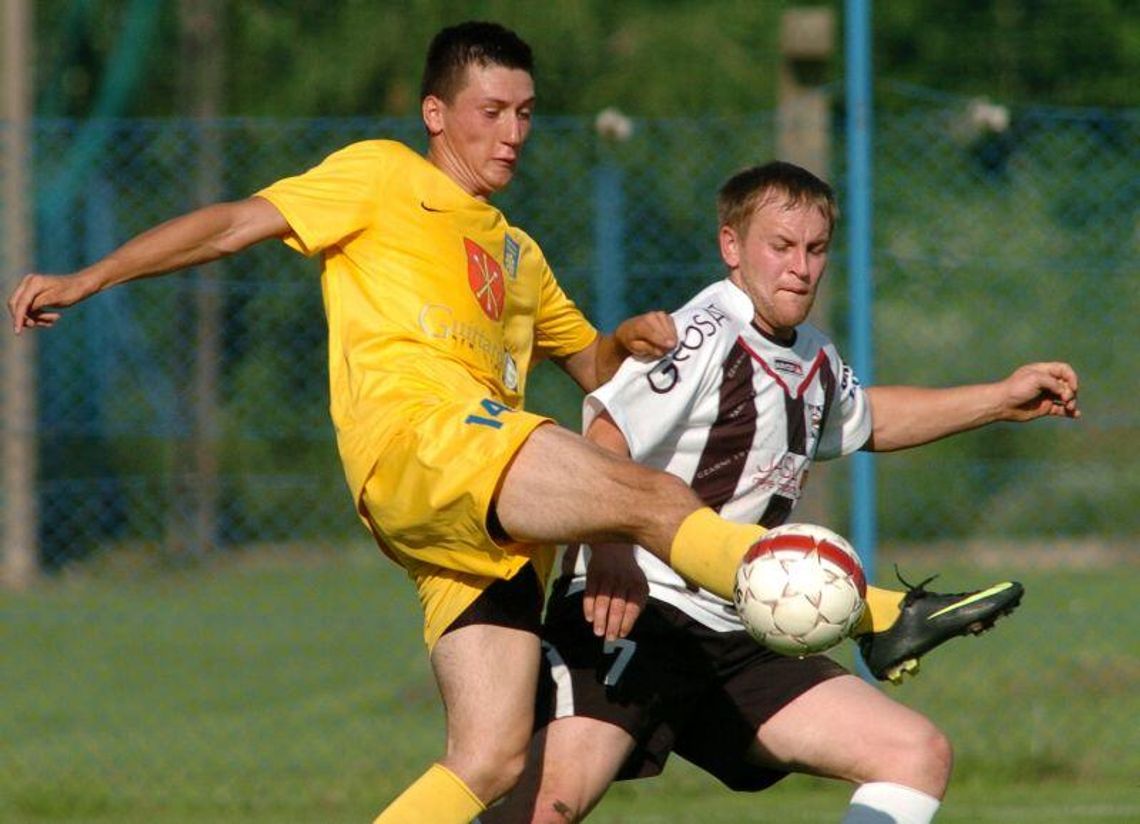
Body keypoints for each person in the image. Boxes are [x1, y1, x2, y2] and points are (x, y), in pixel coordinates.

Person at [6, 24, 1072, 824]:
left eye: (524, 112)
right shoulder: (380, 178)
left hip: (473, 518)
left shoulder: (519, 255)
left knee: (487, 760)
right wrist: (93, 273)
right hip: (428, 443)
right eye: (491, 111)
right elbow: (235, 222)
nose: (512, 130)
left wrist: (627, 335)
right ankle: (877, 604)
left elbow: (595, 369)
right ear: (436, 114)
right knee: (655, 499)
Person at [480, 161, 1081, 823]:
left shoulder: (815, 357)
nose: (801, 267)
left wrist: (999, 399)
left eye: (816, 249)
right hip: (634, 613)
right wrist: (610, 553)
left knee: (915, 753)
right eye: (781, 246)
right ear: (732, 247)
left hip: (737, 631)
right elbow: (603, 430)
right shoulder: (704, 333)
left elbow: (871, 420)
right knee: (547, 806)